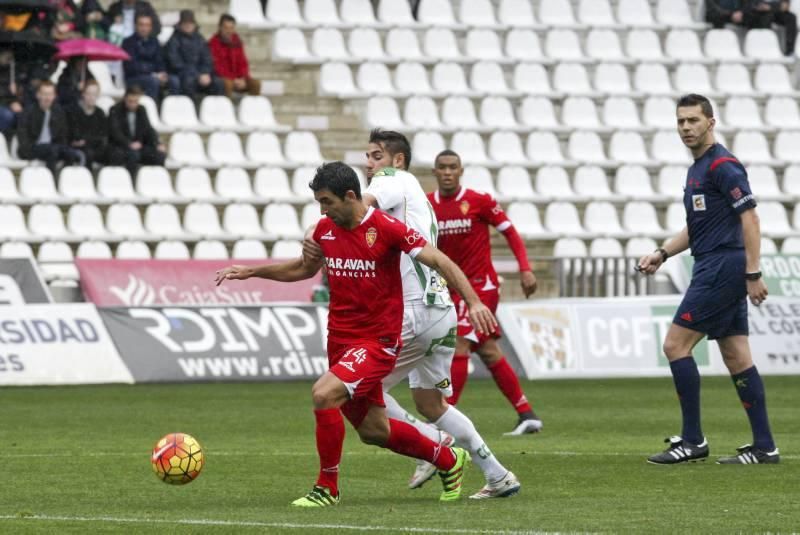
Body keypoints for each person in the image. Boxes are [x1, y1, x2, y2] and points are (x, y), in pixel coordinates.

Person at [215, 161, 499, 506]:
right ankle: (449, 459)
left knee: (323, 394)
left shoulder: (387, 228)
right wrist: (250, 271)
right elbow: (303, 269)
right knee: (374, 431)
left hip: (377, 342)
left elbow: (440, 261)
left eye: (327, 201)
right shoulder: (324, 230)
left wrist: (474, 302)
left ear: (350, 196)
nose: (322, 210)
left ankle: (327, 488)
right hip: (340, 340)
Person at [303, 130, 522, 499]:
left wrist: (314, 228)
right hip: (439, 310)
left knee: (355, 394)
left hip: (411, 312)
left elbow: (361, 202)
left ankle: (434, 449)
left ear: (398, 160)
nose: (368, 165)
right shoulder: (417, 195)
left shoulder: (393, 180)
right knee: (431, 404)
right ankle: (497, 474)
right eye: (367, 157)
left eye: (375, 156)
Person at [639, 94, 779, 465]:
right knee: (735, 355)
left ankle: (692, 440)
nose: (686, 127)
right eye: (681, 121)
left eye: (693, 121)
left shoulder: (723, 166)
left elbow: (750, 218)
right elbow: (697, 225)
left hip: (722, 267)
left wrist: (753, 272)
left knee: (675, 345)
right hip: (715, 264)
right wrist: (663, 253)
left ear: (710, 122)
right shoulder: (698, 169)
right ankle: (765, 446)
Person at [428, 150, 542, 436]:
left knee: (460, 344)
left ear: (461, 170)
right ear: (435, 172)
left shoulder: (479, 201)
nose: (447, 172)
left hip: (482, 287)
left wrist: (525, 268)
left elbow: (510, 232)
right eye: (442, 167)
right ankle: (526, 414)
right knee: (489, 352)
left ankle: (444, 417)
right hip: (451, 289)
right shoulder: (427, 205)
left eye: (453, 167)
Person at [17, 80, 83, 173]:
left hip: (52, 147)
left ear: (54, 96)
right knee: (52, 150)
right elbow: (23, 137)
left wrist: (63, 148)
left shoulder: (58, 112)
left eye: (50, 94)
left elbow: (63, 135)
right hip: (32, 148)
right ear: (38, 95)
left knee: (71, 154)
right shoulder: (28, 112)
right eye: (44, 94)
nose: (47, 98)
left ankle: (64, 179)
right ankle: (51, 181)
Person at [107, 85, 165, 175]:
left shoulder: (141, 109)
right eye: (130, 101)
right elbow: (115, 132)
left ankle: (155, 182)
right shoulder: (115, 110)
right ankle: (132, 183)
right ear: (125, 99)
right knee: (132, 155)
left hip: (138, 146)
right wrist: (129, 144)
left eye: (136, 101)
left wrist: (157, 143)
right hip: (122, 146)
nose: (133, 104)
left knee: (159, 155)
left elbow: (148, 129)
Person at [165, 10, 223, 100]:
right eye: (185, 23)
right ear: (180, 24)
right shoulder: (174, 40)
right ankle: (192, 109)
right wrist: (197, 75)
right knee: (189, 82)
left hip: (201, 75)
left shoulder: (200, 39)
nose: (188, 25)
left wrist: (205, 73)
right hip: (183, 74)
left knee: (218, 82)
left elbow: (207, 59)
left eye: (190, 23)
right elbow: (175, 63)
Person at [208, 14, 261, 98]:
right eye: (226, 28)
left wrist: (243, 78)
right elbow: (217, 67)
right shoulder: (213, 43)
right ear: (220, 28)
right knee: (227, 84)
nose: (229, 31)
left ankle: (252, 109)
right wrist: (234, 79)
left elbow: (243, 63)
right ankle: (228, 108)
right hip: (223, 78)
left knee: (256, 83)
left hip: (238, 78)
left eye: (231, 28)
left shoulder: (237, 42)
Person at [121, 14, 170, 102]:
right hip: (133, 77)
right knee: (152, 82)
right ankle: (151, 109)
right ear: (135, 26)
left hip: (153, 76)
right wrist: (153, 74)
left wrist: (162, 73)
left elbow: (160, 61)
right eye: (141, 25)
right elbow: (131, 66)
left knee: (173, 81)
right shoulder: (128, 42)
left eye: (147, 25)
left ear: (151, 27)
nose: (144, 28)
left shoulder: (155, 41)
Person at [66, 80, 108, 168]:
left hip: (96, 147)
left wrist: (86, 141)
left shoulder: (100, 113)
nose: (91, 97)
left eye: (94, 94)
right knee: (87, 154)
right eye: (88, 94)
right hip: (79, 149)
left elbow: (102, 136)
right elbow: (75, 136)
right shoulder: (74, 112)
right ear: (83, 94)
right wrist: (88, 140)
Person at [0, 50, 23, 140]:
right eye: (6, 55)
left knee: (22, 115)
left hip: (9, 103)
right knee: (7, 115)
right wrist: (8, 90)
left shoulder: (12, 71)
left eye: (10, 57)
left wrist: (16, 99)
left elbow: (19, 94)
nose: (8, 59)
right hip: (2, 104)